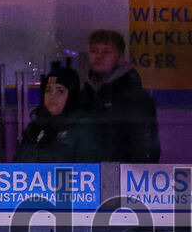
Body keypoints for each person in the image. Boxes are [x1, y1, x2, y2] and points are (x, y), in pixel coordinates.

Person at [80, 29, 160, 163]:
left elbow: (147, 152)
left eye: (106, 52)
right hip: (86, 178)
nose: (99, 56)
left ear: (121, 58)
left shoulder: (136, 99)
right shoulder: (83, 95)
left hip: (122, 178)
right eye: (94, 51)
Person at [14, 64, 105, 163]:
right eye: (48, 90)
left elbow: (88, 172)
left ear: (71, 95)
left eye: (60, 91)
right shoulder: (35, 127)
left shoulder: (83, 128)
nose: (52, 96)